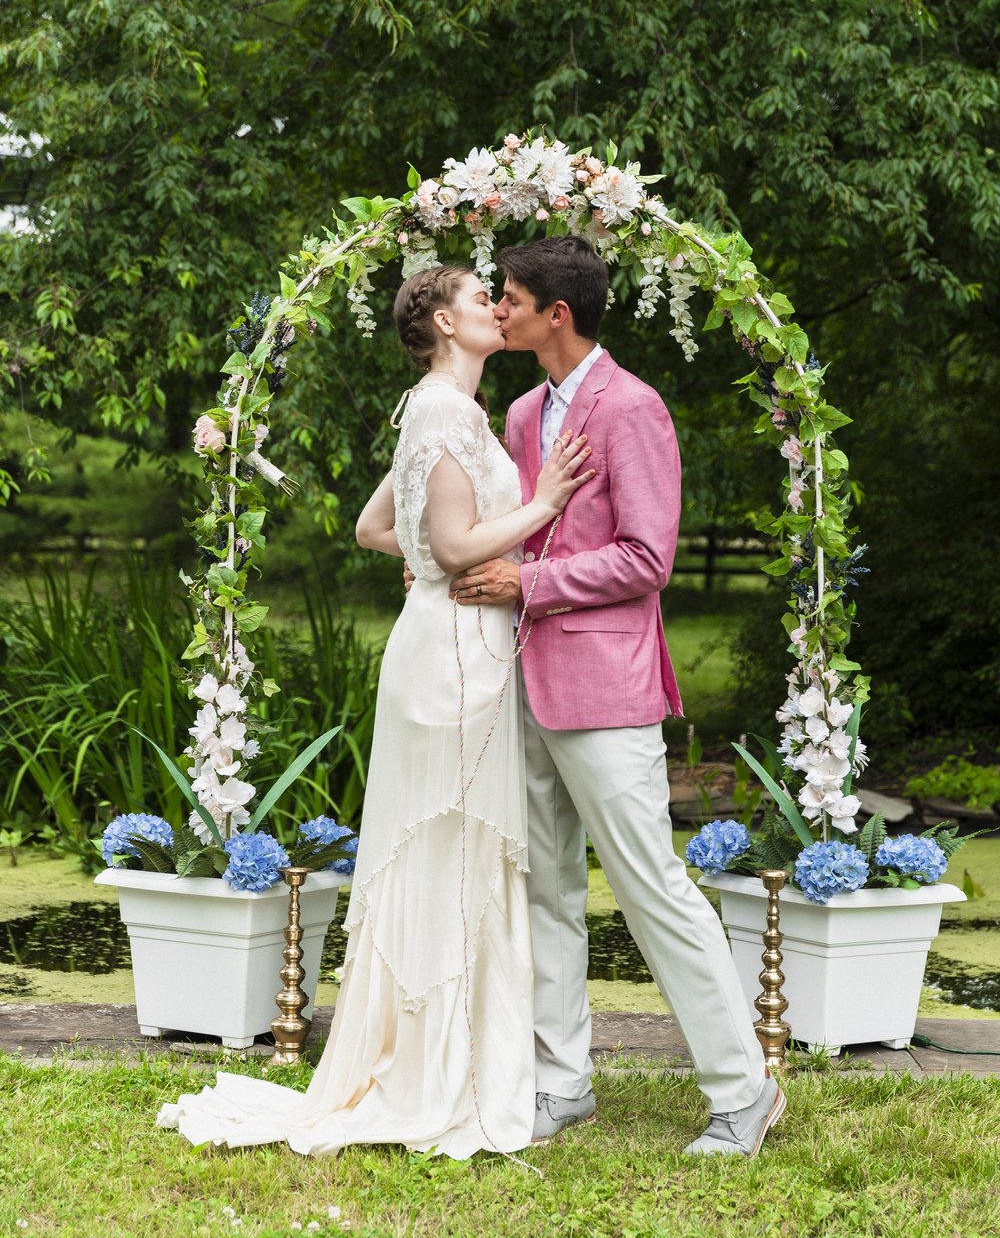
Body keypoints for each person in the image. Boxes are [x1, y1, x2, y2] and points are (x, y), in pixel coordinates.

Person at [157, 264, 593, 1156]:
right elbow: (455, 540)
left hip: (447, 640)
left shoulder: (431, 409)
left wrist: (434, 563)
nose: (495, 310)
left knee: (454, 848)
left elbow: (372, 528)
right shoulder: (444, 410)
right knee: (456, 843)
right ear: (442, 319)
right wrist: (541, 505)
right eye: (481, 300)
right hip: (454, 660)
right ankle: (444, 1067)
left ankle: (444, 1049)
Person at [448, 235, 785, 1157]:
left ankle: (742, 1089)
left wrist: (530, 586)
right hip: (522, 680)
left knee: (652, 888)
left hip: (605, 686)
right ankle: (563, 1084)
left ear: (557, 313)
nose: (501, 309)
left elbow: (648, 558)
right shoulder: (521, 414)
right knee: (545, 887)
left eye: (511, 298)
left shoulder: (632, 408)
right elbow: (516, 533)